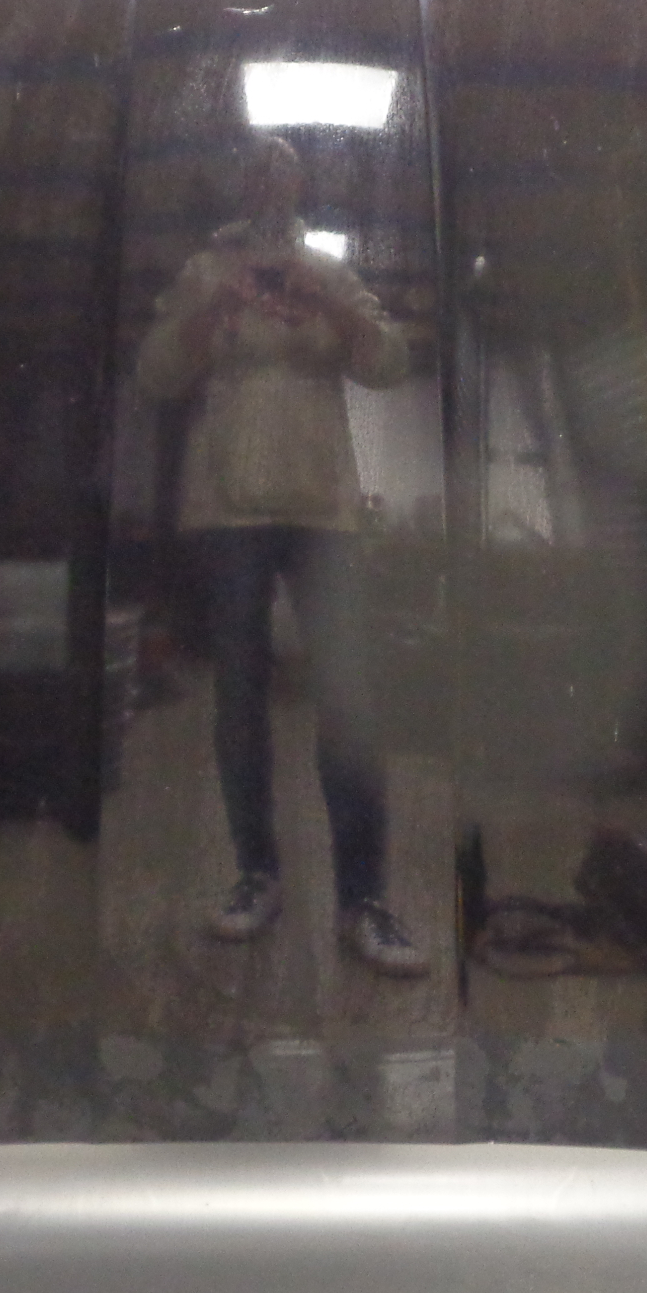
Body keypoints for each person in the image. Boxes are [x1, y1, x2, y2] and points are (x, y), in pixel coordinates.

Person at [132, 136, 426, 977]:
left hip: (324, 505)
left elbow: (391, 363)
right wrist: (209, 313)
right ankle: (255, 874)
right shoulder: (204, 270)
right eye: (255, 168)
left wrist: (329, 307)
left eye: (282, 169)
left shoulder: (328, 270)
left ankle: (363, 897)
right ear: (241, 183)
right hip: (226, 505)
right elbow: (154, 374)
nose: (268, 180)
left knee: (350, 697)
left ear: (299, 185)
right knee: (238, 696)